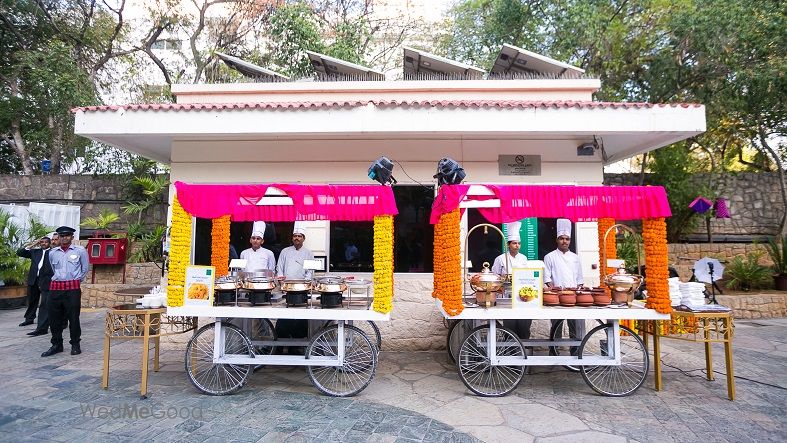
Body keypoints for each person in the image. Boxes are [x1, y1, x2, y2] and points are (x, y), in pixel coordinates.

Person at [42, 226, 89, 357]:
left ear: (72, 237)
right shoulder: (52, 253)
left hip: (72, 288)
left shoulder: (80, 251)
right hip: (55, 288)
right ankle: (56, 344)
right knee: (54, 318)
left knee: (73, 317)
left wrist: (76, 280)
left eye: (67, 236)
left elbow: (85, 268)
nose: (64, 238)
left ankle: (75, 344)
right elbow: (53, 268)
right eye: (62, 236)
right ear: (59, 238)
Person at [543, 218, 585, 342]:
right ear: (557, 240)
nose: (564, 241)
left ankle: (576, 354)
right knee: (556, 327)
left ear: (570, 241)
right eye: (561, 238)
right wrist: (555, 291)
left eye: (567, 239)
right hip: (556, 298)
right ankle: (554, 352)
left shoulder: (575, 258)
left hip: (573, 298)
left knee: (574, 328)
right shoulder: (549, 257)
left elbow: (579, 279)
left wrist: (578, 292)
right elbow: (547, 278)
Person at [275, 224, 314, 353]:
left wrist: (306, 284)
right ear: (292, 238)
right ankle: (280, 345)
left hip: (302, 290)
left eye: (299, 236)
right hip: (287, 289)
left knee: (300, 317)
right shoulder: (285, 251)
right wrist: (282, 284)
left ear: (303, 238)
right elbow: (279, 267)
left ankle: (296, 346)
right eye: (295, 236)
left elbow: (310, 270)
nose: (297, 238)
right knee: (284, 317)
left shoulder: (308, 253)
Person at [492, 222, 532, 340]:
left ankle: (524, 350)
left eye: (519, 243)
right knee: (509, 327)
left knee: (524, 326)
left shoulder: (524, 258)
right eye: (514, 243)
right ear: (508, 245)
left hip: (522, 295)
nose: (517, 246)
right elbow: (495, 277)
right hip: (506, 297)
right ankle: (510, 353)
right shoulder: (500, 259)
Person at [16, 234, 51, 328]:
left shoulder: (52, 252)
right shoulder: (35, 252)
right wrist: (32, 244)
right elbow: (20, 253)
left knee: (45, 302)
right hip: (34, 279)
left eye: (46, 242)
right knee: (32, 300)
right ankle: (29, 319)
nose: (44, 244)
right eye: (42, 242)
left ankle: (46, 320)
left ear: (49, 243)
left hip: (46, 280)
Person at [28, 233, 59, 337]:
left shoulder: (64, 252)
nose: (54, 241)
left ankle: (63, 323)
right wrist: (41, 282)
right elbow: (43, 268)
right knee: (44, 305)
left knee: (62, 305)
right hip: (46, 283)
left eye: (56, 239)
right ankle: (41, 328)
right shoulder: (46, 253)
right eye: (53, 239)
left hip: (62, 283)